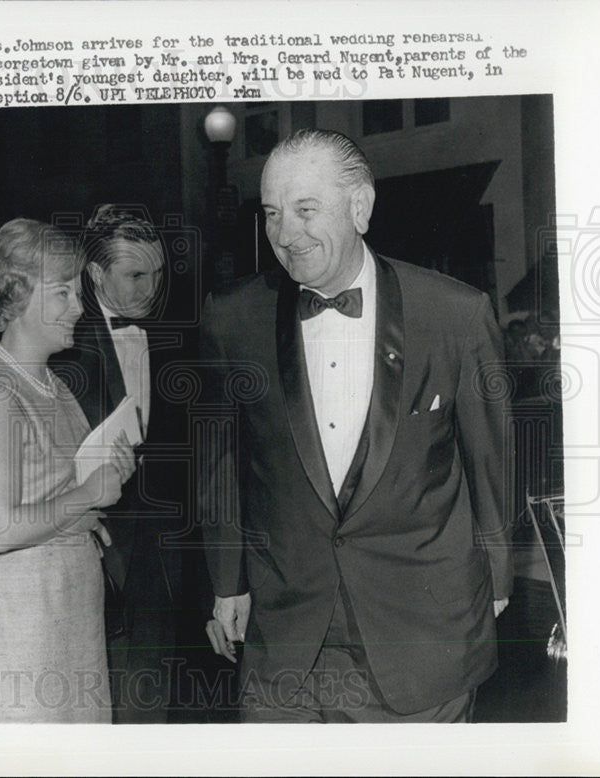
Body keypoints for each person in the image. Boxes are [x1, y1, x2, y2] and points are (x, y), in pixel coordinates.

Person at [199, 129, 514, 723]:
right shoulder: (232, 317)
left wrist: (495, 579)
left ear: (360, 208)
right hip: (285, 642)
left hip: (423, 642)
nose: (285, 236)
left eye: (305, 210)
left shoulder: (455, 313)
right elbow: (219, 463)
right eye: (271, 214)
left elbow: (491, 461)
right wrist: (226, 580)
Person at [0, 217, 136, 723]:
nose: (79, 308)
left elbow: (55, 495)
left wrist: (100, 490)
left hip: (66, 597)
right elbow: (2, 530)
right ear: (15, 298)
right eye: (63, 293)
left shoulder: (55, 385)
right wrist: (85, 499)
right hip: (19, 608)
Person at [50, 205, 184, 723]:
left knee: (152, 697)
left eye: (156, 274)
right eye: (134, 275)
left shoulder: (174, 333)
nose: (150, 288)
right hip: (93, 542)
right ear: (96, 273)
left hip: (161, 549)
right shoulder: (62, 344)